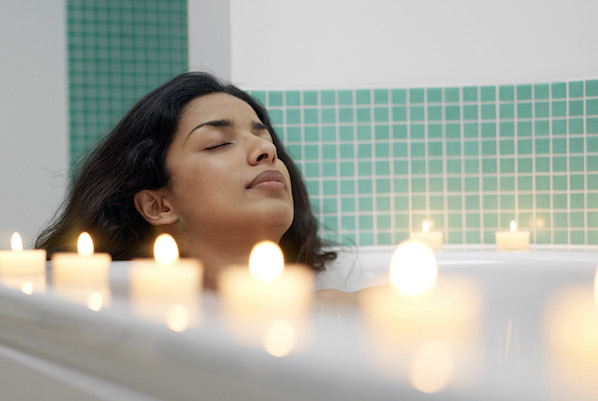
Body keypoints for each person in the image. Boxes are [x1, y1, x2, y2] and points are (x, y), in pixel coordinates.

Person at [36, 72, 337, 289]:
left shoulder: (347, 311)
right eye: (217, 144)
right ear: (158, 205)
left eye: (265, 138)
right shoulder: (112, 317)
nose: (267, 150)